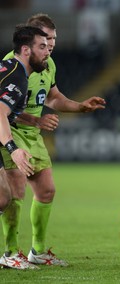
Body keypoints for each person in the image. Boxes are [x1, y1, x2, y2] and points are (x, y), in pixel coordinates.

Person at [0, 14, 106, 270]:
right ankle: (11, 252)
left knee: (46, 190)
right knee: (12, 195)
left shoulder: (47, 64)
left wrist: (79, 107)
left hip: (33, 137)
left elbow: (53, 98)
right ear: (31, 42)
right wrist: (20, 139)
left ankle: (36, 251)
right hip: (11, 132)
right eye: (46, 41)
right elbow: (5, 111)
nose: (51, 45)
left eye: (53, 40)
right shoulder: (13, 66)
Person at [0, 24, 50, 269]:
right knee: (4, 197)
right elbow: (0, 112)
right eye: (42, 46)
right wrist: (13, 148)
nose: (48, 50)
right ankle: (10, 254)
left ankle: (9, 254)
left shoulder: (12, 70)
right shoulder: (18, 77)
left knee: (3, 198)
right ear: (26, 50)